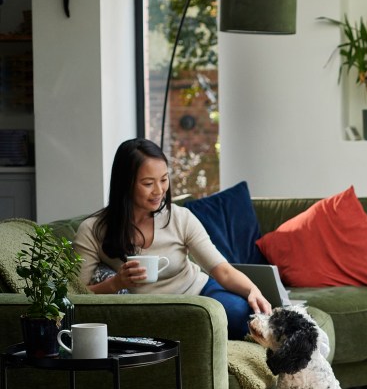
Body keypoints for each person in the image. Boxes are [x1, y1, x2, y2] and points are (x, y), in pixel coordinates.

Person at [73, 138, 270, 339]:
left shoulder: (179, 217)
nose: (159, 191)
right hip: (150, 311)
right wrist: (115, 284)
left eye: (164, 179)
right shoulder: (93, 230)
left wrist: (252, 290)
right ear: (125, 183)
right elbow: (76, 297)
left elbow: (222, 270)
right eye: (148, 183)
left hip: (199, 293)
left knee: (240, 315)